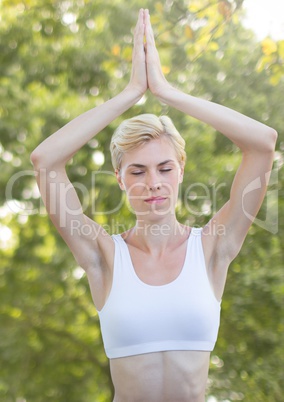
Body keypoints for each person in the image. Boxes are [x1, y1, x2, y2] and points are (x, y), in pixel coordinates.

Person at [30, 8, 277, 402]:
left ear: (181, 169)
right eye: (138, 171)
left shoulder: (213, 247)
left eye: (164, 168)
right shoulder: (103, 255)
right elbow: (45, 160)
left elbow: (263, 142)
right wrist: (129, 94)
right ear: (120, 179)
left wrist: (165, 91)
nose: (152, 184)